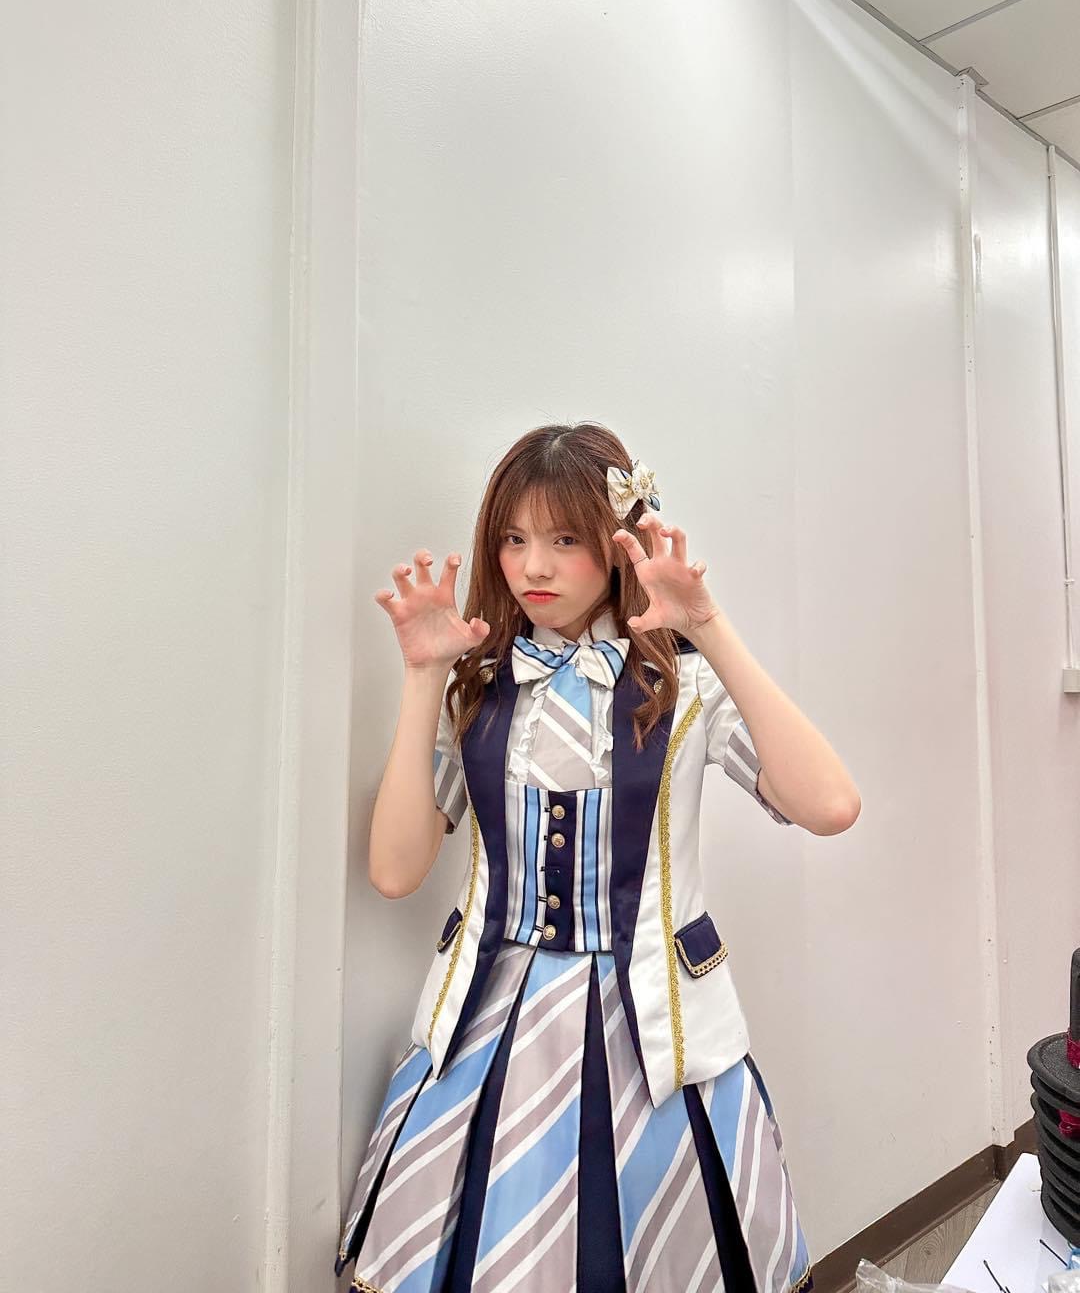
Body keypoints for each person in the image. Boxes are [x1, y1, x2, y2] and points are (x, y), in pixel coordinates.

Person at [336, 421, 861, 1293]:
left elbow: (830, 805)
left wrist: (710, 628)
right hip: (492, 1023)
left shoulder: (683, 685)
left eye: (564, 540)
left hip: (654, 1027)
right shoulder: (481, 685)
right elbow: (395, 872)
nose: (532, 567)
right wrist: (425, 675)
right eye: (513, 540)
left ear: (617, 545)